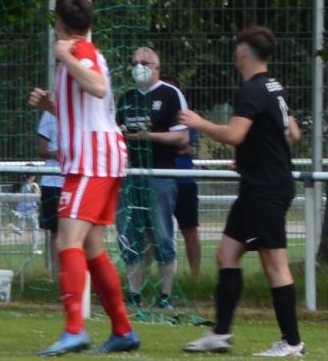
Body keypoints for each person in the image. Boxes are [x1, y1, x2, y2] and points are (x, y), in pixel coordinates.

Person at [180, 26, 304, 357]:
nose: (235, 53)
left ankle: (292, 343)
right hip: (258, 185)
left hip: (266, 189)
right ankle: (220, 334)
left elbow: (235, 134)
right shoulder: (274, 87)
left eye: (238, 48)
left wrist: (199, 123)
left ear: (244, 52)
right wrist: (253, 155)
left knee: (274, 264)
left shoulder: (251, 90)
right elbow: (293, 132)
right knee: (226, 254)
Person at [27, 0, 139, 356]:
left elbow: (99, 87)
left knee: (67, 242)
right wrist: (50, 106)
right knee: (91, 248)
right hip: (99, 159)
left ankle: (74, 329)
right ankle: (122, 329)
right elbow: (87, 107)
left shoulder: (79, 51)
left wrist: (66, 55)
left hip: (92, 162)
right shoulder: (82, 52)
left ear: (60, 26)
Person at [115, 46, 189, 309]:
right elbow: (117, 132)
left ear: (157, 67)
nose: (139, 67)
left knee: (162, 236)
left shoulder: (171, 94)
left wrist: (150, 136)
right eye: (134, 62)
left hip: (160, 175)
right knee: (129, 235)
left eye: (144, 63)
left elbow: (182, 136)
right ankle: (134, 294)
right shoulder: (127, 98)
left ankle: (165, 296)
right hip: (130, 175)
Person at [161, 74, 202, 280]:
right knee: (156, 232)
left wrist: (163, 143)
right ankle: (160, 278)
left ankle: (195, 278)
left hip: (184, 181)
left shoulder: (186, 118)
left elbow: (186, 146)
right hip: (161, 180)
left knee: (190, 231)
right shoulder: (155, 117)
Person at [36, 111, 63, 265]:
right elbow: (41, 150)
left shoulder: (84, 110)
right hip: (53, 182)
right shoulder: (48, 114)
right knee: (56, 230)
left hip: (78, 178)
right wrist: (57, 154)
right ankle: (56, 274)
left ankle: (80, 274)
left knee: (81, 231)